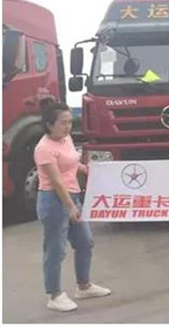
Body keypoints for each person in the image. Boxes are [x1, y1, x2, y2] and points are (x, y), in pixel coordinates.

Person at [34, 101, 111, 312]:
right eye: (63, 123)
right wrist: (70, 207)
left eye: (69, 122)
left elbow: (70, 163)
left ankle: (84, 286)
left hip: (73, 197)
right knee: (55, 249)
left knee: (85, 241)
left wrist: (86, 169)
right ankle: (54, 295)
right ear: (49, 124)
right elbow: (57, 182)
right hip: (54, 201)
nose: (68, 126)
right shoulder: (44, 149)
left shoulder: (66, 139)